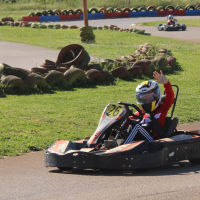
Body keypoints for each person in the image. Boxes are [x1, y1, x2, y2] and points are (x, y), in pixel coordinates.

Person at [123, 70, 174, 144]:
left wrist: (166, 83)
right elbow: (128, 121)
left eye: (149, 98)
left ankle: (122, 147)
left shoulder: (162, 108)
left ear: (155, 96)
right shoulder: (141, 112)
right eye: (144, 98)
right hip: (142, 140)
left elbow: (170, 96)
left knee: (136, 126)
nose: (146, 100)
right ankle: (102, 145)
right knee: (122, 125)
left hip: (154, 140)